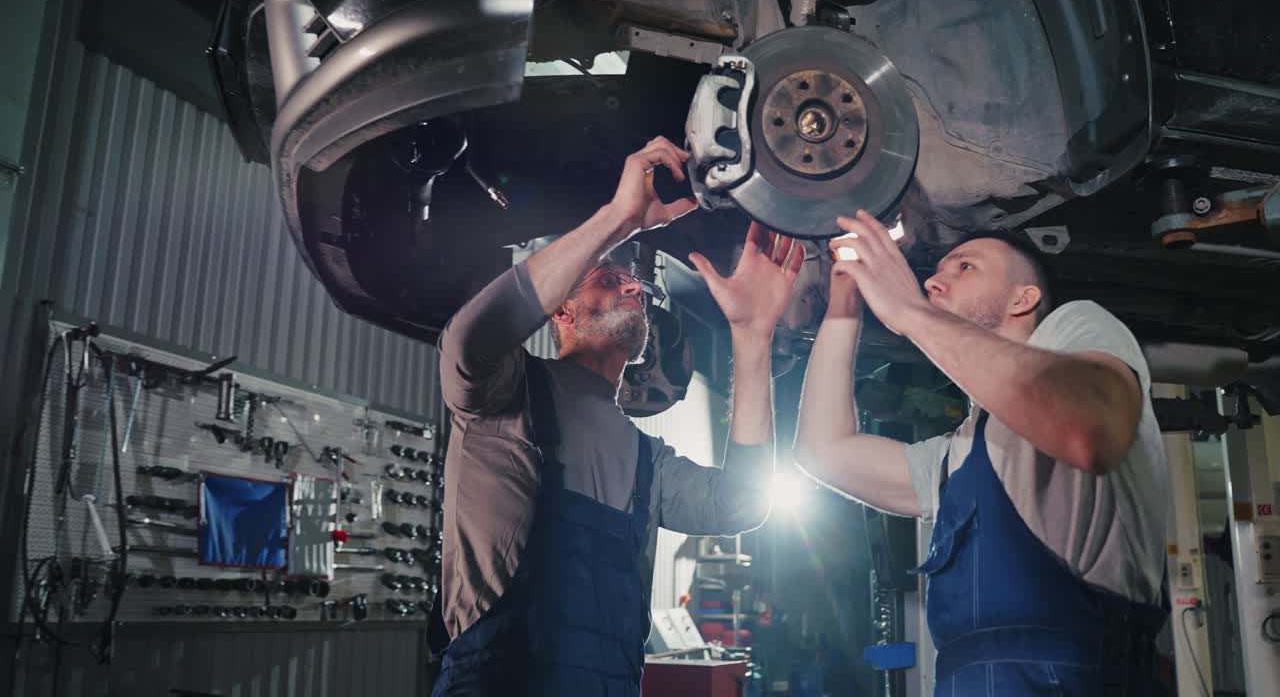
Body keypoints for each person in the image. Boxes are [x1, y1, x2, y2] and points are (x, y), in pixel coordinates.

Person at [432, 136, 804, 696]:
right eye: (608, 280)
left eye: (633, 283)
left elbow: (742, 503)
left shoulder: (646, 460)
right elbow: (468, 340)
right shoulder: (506, 393)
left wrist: (752, 338)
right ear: (561, 309)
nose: (634, 284)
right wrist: (619, 220)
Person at [794, 211, 1169, 695]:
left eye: (964, 267)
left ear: (1023, 298)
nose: (933, 282)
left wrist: (913, 313)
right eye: (938, 273)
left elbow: (1088, 427)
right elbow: (825, 453)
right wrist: (844, 304)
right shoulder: (963, 452)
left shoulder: (1078, 325)